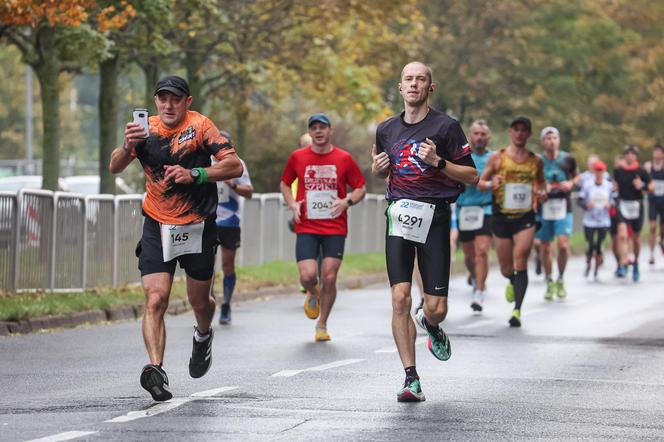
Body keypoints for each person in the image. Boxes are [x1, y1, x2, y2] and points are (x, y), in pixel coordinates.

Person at [109, 75, 243, 401]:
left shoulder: (201, 127)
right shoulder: (145, 130)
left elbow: (234, 166)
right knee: (156, 298)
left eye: (176, 99)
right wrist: (128, 147)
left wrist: (195, 174)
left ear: (188, 102)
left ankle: (203, 335)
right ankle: (156, 369)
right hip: (156, 224)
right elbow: (114, 167)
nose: (168, 105)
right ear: (155, 101)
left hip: (196, 225)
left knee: (200, 301)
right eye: (162, 98)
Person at [372, 61, 478, 402]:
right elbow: (383, 174)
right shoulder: (386, 130)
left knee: (437, 307)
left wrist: (439, 162)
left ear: (430, 87)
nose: (414, 84)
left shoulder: (447, 127)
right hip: (399, 215)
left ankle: (431, 324)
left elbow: (472, 176)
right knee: (399, 297)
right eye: (408, 79)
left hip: (435, 216)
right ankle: (410, 378)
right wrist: (376, 170)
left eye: (420, 79)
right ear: (400, 88)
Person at [280, 113, 366, 342]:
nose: (318, 131)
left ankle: (322, 324)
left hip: (335, 226)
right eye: (314, 128)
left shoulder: (344, 158)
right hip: (306, 224)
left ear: (330, 131)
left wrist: (346, 201)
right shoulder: (297, 157)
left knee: (329, 276)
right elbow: (285, 183)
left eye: (322, 127)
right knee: (308, 275)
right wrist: (292, 204)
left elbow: (360, 188)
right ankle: (313, 292)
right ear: (310, 132)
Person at [480, 116, 546, 327]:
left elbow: (543, 186)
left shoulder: (536, 161)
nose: (519, 133)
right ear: (510, 132)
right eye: (516, 129)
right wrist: (492, 183)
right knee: (506, 268)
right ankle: (512, 281)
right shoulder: (498, 158)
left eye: (523, 130)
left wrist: (542, 193)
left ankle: (517, 309)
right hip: (501, 217)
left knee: (521, 259)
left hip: (525, 217)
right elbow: (479, 183)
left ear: (529, 134)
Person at [213, 130, 253, 324]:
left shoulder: (238, 164)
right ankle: (207, 301)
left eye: (225, 144)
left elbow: (249, 192)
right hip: (206, 220)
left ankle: (226, 304)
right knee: (203, 267)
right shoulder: (203, 161)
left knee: (227, 265)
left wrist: (233, 185)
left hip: (229, 220)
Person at [536, 127, 578, 300]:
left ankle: (560, 278)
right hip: (544, 207)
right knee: (545, 247)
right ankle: (549, 281)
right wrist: (539, 191)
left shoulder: (568, 158)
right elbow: (531, 182)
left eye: (554, 138)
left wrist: (570, 184)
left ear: (558, 140)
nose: (551, 141)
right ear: (543, 142)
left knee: (562, 245)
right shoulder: (537, 161)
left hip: (563, 206)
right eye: (548, 138)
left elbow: (577, 177)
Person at [456, 119, 493, 312]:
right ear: (470, 136)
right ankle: (473, 275)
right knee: (469, 255)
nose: (479, 137)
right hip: (465, 209)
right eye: (476, 134)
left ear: (489, 137)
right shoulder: (461, 156)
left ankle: (479, 292)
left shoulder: (495, 158)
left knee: (482, 251)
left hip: (486, 208)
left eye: (483, 134)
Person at [614, 145, 651, 281]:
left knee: (635, 238)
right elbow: (614, 185)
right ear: (624, 155)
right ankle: (623, 263)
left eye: (633, 154)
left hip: (637, 206)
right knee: (622, 235)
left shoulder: (641, 171)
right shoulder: (618, 170)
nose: (630, 156)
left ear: (636, 156)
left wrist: (643, 186)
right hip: (622, 205)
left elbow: (651, 187)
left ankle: (635, 263)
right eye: (628, 154)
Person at [580, 160, 613, 280]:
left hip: (603, 220)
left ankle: (596, 270)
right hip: (589, 220)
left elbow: (614, 200)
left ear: (604, 172)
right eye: (597, 171)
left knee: (599, 246)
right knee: (590, 245)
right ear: (594, 172)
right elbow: (580, 200)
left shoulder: (608, 185)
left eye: (601, 171)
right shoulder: (587, 184)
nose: (599, 173)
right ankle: (588, 264)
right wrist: (586, 205)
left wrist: (610, 204)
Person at [644, 144, 664, 265]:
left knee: (662, 229)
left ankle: (661, 241)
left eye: (659, 152)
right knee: (652, 227)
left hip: (663, 201)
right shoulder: (648, 166)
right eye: (654, 152)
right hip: (652, 200)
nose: (656, 154)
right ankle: (651, 254)